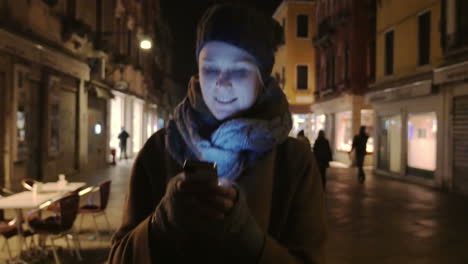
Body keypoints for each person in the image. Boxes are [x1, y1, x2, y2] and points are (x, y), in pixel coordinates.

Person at [108, 4, 326, 264]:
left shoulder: (293, 161)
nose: (221, 82)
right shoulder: (160, 148)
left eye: (240, 70)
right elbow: (118, 258)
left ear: (262, 77)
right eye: (210, 68)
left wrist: (248, 238)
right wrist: (161, 223)